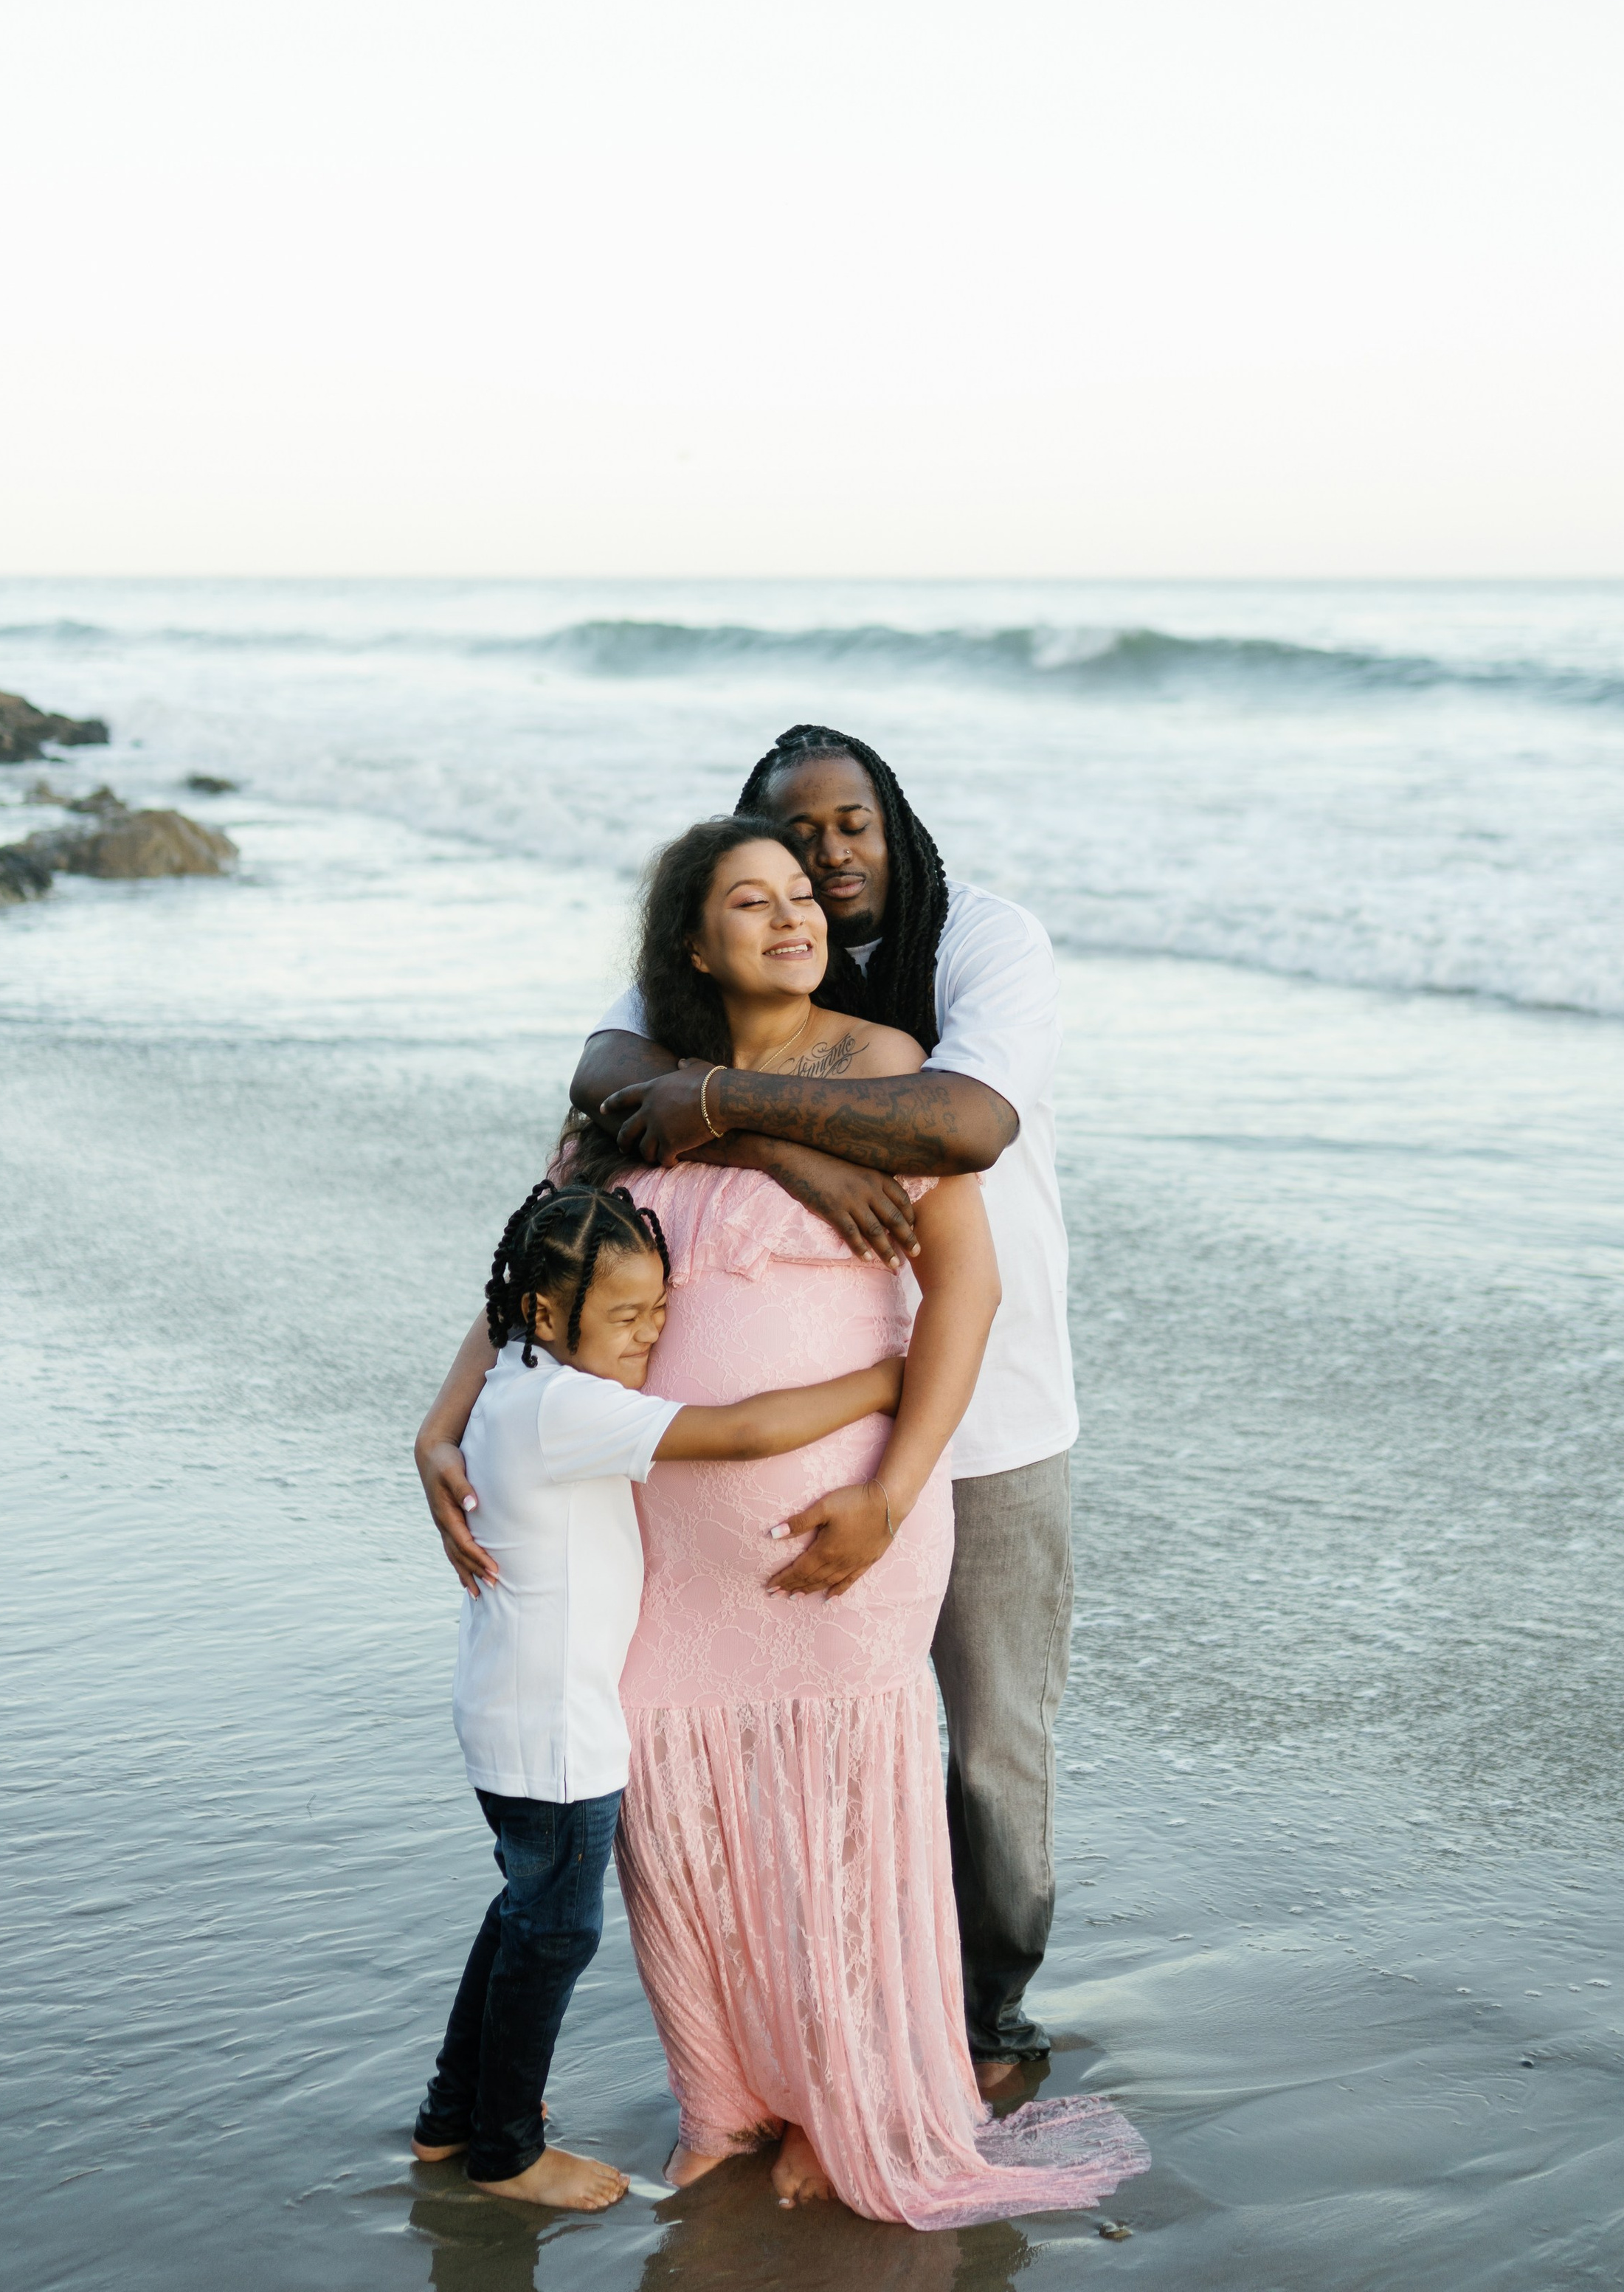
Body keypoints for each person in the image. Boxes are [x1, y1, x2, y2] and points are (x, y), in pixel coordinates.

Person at [575, 725, 1078, 2088]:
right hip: (788, 1447)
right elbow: (607, 1082)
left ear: (896, 823)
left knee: (986, 1743)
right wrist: (777, 1139)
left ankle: (985, 2014)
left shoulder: (982, 939)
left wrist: (722, 1102)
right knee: (825, 1757)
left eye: (853, 825)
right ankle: (822, 2023)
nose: (828, 858)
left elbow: (962, 1123)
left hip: (995, 1408)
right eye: (797, 839)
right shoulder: (748, 941)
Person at [408, 1171, 908, 2209]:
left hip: (513, 1712)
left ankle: (452, 2117)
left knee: (523, 1914)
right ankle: (506, 2151)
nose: (647, 1339)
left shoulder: (516, 1375)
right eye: (626, 1317)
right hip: (554, 1731)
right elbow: (746, 1432)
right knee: (556, 1932)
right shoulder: (563, 1406)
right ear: (547, 1315)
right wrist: (881, 1384)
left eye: (660, 1314)